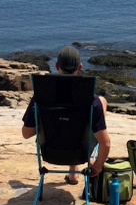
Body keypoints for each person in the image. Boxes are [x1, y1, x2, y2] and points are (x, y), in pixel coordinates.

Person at [21, 45, 110, 185]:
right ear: (80, 67)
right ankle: (73, 169)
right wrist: (97, 167)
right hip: (80, 153)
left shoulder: (42, 97)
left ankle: (72, 172)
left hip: (49, 152)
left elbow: (26, 133)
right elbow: (106, 143)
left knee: (64, 120)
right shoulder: (91, 100)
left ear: (56, 66)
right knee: (102, 101)